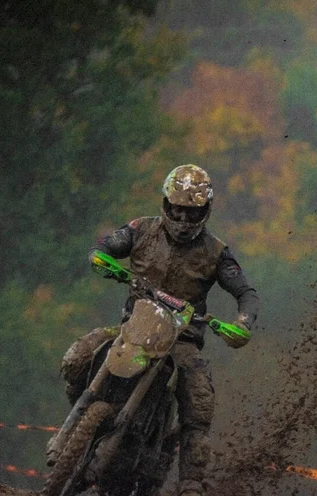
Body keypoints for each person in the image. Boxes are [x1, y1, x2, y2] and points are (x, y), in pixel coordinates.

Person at [59, 164, 259, 496]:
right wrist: (100, 258)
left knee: (199, 400)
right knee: (77, 357)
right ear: (166, 204)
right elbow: (104, 246)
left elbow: (246, 292)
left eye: (190, 212)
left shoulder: (217, 252)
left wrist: (242, 322)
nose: (182, 219)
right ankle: (80, 425)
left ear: (204, 211)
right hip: (132, 326)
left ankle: (191, 484)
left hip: (183, 339)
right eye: (177, 209)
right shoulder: (140, 230)